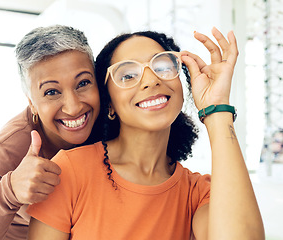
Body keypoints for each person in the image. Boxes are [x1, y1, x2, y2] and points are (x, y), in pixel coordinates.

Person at [26, 27, 265, 239]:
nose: (151, 80)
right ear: (109, 102)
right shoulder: (68, 171)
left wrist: (217, 109)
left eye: (162, 66)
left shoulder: (197, 193)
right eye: (128, 75)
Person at [0, 25, 101, 240]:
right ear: (32, 104)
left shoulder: (108, 117)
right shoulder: (13, 143)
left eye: (83, 83)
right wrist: (9, 192)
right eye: (51, 92)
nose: (73, 107)